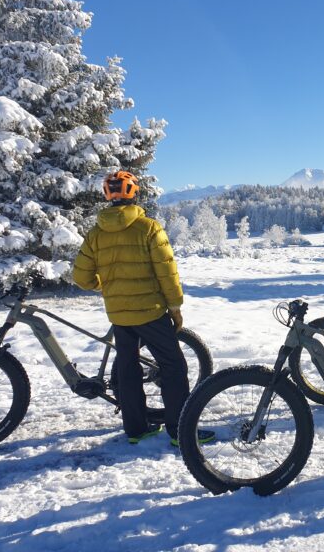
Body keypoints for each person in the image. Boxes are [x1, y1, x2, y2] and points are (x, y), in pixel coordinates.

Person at [72, 170, 212, 447]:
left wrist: (105, 285)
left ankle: (136, 429)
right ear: (134, 193)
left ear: (107, 195)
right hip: (151, 310)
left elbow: (81, 278)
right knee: (173, 366)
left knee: (127, 368)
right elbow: (167, 272)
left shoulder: (96, 233)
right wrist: (175, 306)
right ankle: (180, 431)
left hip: (118, 314)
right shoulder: (148, 228)